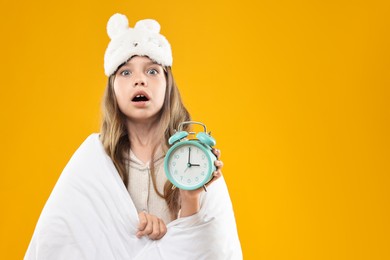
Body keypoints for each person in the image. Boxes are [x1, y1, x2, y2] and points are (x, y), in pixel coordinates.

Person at [25, 13, 242, 259]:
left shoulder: (192, 156)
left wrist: (190, 196)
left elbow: (208, 248)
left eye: (152, 71)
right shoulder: (92, 160)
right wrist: (132, 227)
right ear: (113, 88)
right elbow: (67, 238)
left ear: (167, 84)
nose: (139, 80)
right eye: (125, 73)